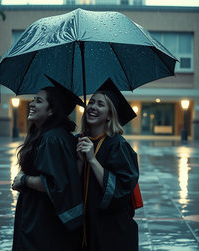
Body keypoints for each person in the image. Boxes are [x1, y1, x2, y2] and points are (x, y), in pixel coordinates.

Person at [11, 75, 85, 251]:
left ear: (51, 110)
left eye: (38, 101)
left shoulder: (52, 139)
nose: (32, 104)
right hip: (40, 214)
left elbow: (53, 183)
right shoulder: (52, 135)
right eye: (33, 100)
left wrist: (23, 179)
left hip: (43, 219)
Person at [77, 78, 139, 251]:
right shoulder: (78, 141)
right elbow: (69, 184)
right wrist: (80, 161)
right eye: (91, 102)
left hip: (111, 228)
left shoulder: (117, 145)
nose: (93, 107)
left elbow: (122, 188)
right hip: (84, 224)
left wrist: (92, 160)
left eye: (100, 104)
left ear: (110, 114)